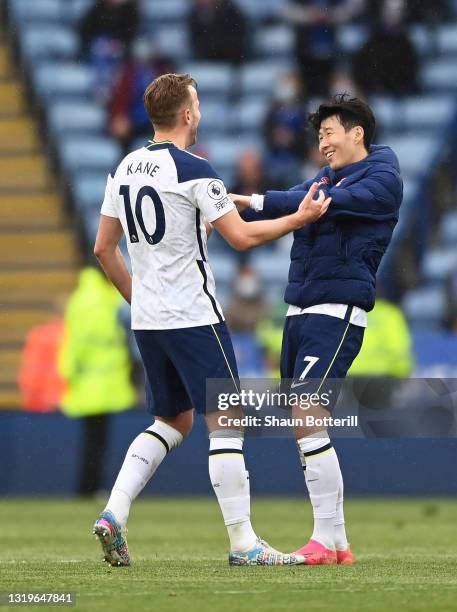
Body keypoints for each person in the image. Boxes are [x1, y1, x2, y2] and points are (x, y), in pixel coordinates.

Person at [92, 73, 331, 567]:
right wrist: (298, 220)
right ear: (185, 115)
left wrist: (141, 299)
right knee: (227, 421)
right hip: (194, 315)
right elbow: (241, 238)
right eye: (196, 105)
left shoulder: (124, 169)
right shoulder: (196, 170)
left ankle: (114, 512)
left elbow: (103, 248)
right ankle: (244, 545)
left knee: (172, 419)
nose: (199, 113)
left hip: (150, 319)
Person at [231, 94, 403, 564]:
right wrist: (248, 200)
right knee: (301, 422)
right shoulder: (328, 180)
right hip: (301, 309)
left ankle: (324, 539)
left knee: (309, 416)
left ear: (356, 133)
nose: (322, 142)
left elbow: (320, 202)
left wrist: (303, 200)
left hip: (337, 309)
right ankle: (339, 542)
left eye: (329, 132)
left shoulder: (382, 177)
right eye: (320, 135)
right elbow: (298, 198)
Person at [59, 267, 136, 496]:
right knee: (97, 440)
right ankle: (91, 486)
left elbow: (74, 339)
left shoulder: (81, 297)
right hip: (105, 380)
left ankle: (88, 486)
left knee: (92, 439)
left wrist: (69, 371)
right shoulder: (107, 297)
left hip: (87, 381)